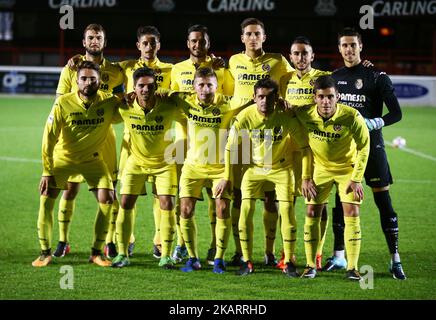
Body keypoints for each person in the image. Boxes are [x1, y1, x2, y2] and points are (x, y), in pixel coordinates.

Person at [325, 28, 406, 280]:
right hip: (344, 151)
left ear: (361, 47)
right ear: (339, 49)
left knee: (384, 203)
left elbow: (396, 113)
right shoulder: (333, 78)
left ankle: (395, 259)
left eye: (353, 45)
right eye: (344, 46)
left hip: (373, 148)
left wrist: (375, 123)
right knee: (341, 205)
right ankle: (339, 257)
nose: (349, 50)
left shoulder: (377, 76)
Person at [216, 78, 312, 277]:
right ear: (254, 98)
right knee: (245, 209)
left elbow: (305, 147)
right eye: (260, 97)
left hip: (281, 168)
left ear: (277, 98)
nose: (264, 102)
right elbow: (228, 147)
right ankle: (247, 261)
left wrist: (306, 177)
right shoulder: (244, 116)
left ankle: (289, 261)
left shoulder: (286, 116)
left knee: (286, 209)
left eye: (269, 97)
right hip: (254, 168)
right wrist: (226, 177)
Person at [32, 61, 122, 267]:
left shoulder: (108, 102)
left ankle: (96, 252)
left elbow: (129, 109)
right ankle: (45, 252)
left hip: (93, 160)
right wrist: (47, 171)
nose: (88, 82)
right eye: (84, 78)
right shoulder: (62, 103)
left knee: (108, 199)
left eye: (93, 78)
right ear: (76, 80)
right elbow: (48, 138)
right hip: (63, 160)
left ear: (100, 81)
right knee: (46, 200)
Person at [227, 18, 294, 267]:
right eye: (248, 34)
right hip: (239, 133)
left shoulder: (277, 61)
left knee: (269, 198)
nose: (253, 37)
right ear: (242, 38)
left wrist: (285, 100)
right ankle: (238, 251)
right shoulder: (233, 61)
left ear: (264, 37)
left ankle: (269, 251)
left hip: (266, 134)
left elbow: (296, 77)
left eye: (257, 34)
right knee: (237, 195)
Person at [53, 23, 124, 259]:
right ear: (84, 42)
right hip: (76, 138)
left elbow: (121, 100)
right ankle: (63, 240)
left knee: (109, 191)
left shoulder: (115, 72)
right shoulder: (70, 69)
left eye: (99, 37)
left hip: (104, 138)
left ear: (105, 42)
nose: (95, 41)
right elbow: (60, 101)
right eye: (90, 38)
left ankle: (110, 241)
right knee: (70, 190)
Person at [294, 75, 370, 280]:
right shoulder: (304, 114)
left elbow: (364, 147)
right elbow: (288, 114)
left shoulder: (352, 116)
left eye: (330, 97)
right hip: (320, 168)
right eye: (321, 97)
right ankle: (311, 266)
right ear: (314, 98)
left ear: (338, 96)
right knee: (311, 211)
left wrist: (356, 178)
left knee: (352, 212)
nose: (326, 101)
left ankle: (352, 267)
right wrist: (306, 177)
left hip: (347, 169)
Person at [170, 24, 232, 265]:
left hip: (220, 138)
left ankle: (217, 250)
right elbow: (171, 98)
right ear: (188, 43)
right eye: (193, 41)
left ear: (208, 43)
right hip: (182, 142)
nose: (197, 45)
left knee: (222, 201)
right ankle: (181, 245)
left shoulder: (222, 69)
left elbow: (232, 96)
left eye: (202, 41)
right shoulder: (177, 70)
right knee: (181, 200)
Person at [112, 67, 185, 269]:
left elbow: (193, 111)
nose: (146, 89)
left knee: (167, 205)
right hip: (135, 162)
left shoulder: (169, 106)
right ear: (133, 88)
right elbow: (102, 112)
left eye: (150, 85)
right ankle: (121, 253)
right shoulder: (124, 107)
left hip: (164, 164)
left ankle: (166, 256)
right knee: (125, 203)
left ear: (156, 86)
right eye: (141, 85)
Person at [177, 67, 245, 273]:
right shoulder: (186, 101)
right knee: (185, 210)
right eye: (201, 85)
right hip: (193, 167)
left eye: (210, 85)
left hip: (219, 168)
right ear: (194, 86)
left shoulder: (227, 103)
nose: (205, 89)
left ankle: (218, 259)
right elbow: (165, 97)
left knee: (222, 209)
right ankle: (192, 258)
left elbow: (252, 101)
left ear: (217, 86)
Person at [117, 25, 174, 260]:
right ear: (138, 45)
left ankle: (160, 241)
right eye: (145, 43)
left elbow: (184, 91)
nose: (149, 47)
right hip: (132, 142)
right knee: (128, 195)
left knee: (159, 196)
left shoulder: (170, 70)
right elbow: (98, 69)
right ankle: (125, 241)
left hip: (161, 138)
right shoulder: (126, 67)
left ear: (159, 45)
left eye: (153, 43)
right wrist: (78, 59)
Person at [278, 36, 331, 270]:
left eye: (305, 53)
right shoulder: (284, 79)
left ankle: (317, 253)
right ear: (290, 56)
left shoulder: (323, 77)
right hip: (288, 149)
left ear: (312, 56)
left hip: (317, 149)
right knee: (285, 203)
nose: (301, 57)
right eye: (296, 53)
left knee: (318, 204)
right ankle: (286, 254)